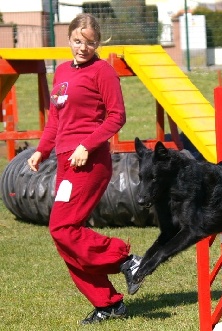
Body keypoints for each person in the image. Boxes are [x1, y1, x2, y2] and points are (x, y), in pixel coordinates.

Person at [27, 13, 143, 325]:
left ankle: (127, 259)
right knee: (63, 236)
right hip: (64, 162)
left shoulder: (102, 71)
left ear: (98, 42)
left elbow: (116, 116)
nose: (83, 48)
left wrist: (86, 145)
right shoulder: (62, 71)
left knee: (62, 228)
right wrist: (41, 150)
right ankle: (108, 303)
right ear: (68, 40)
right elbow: (55, 119)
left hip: (89, 162)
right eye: (78, 41)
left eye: (90, 42)